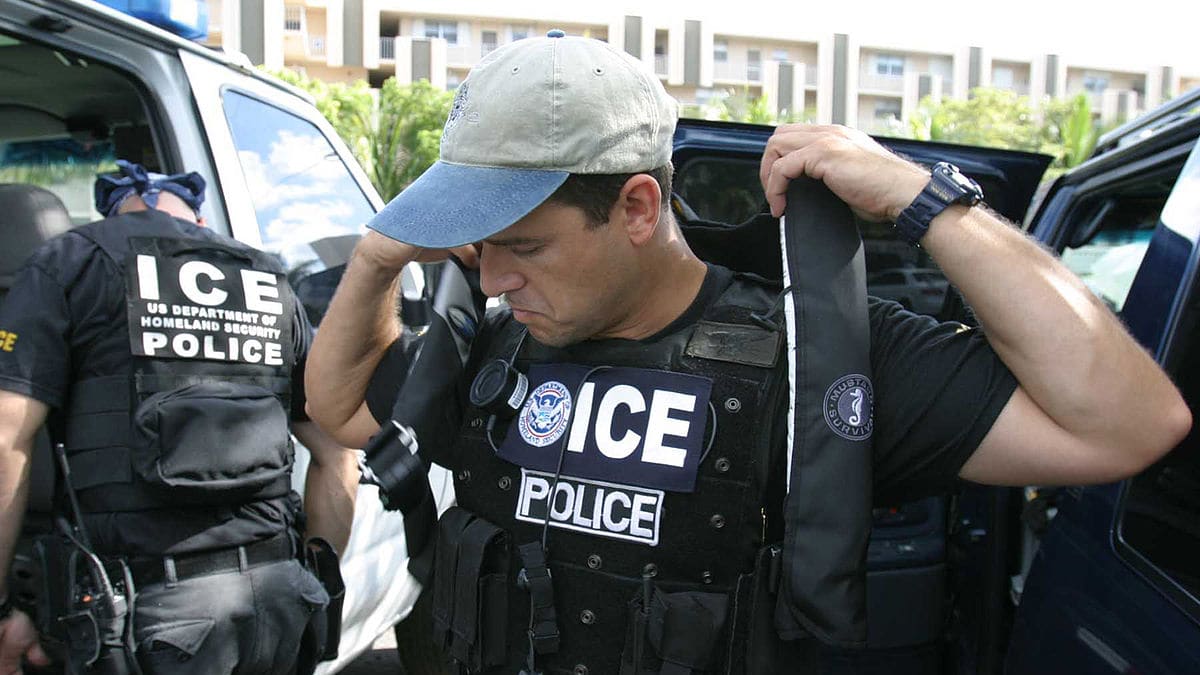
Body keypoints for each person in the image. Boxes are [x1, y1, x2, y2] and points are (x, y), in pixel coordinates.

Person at [304, 32, 1191, 674]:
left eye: (523, 245)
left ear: (639, 209)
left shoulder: (815, 354)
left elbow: (1128, 424)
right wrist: (386, 252)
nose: (490, 278)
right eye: (478, 244)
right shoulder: (503, 338)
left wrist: (930, 205)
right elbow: (340, 412)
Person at [0, 161, 359, 674]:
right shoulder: (266, 276)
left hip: (146, 617)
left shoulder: (73, 260)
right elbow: (336, 452)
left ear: (116, 211)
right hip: (279, 604)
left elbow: (6, 436)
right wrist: (314, 581)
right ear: (197, 217)